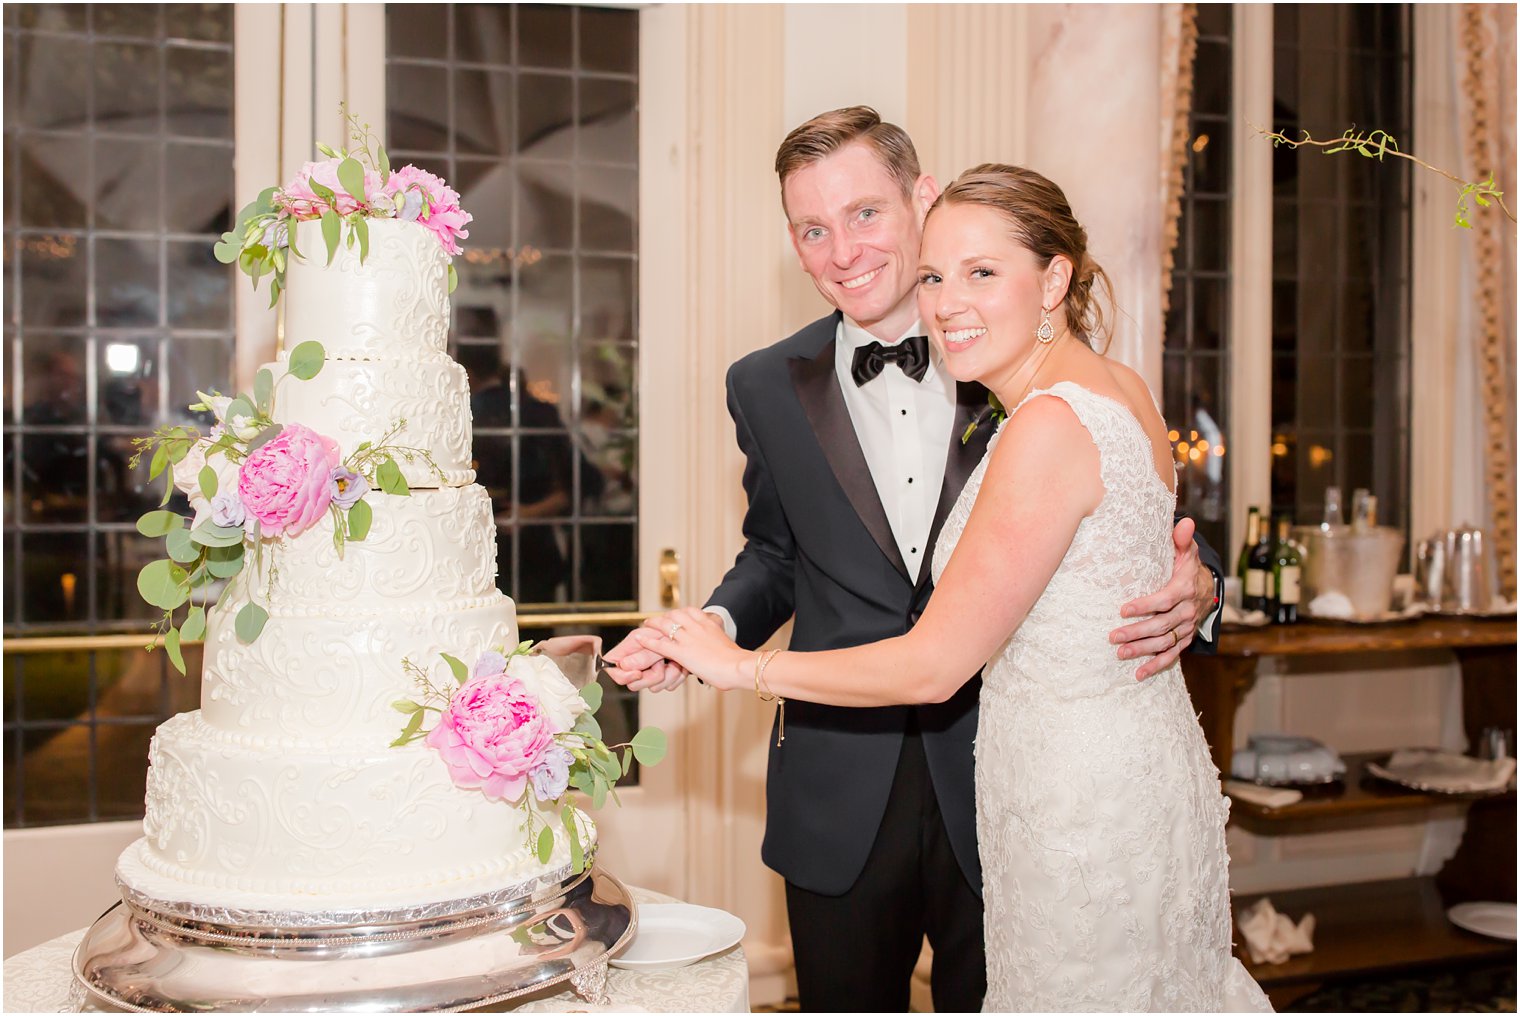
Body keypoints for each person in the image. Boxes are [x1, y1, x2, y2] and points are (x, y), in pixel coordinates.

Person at [606, 109, 1225, 1013]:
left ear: (920, 198)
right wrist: (714, 627)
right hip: (839, 782)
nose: (842, 251)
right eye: (812, 229)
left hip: (1013, 783)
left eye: (864, 214)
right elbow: (776, 549)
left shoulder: (1028, 370)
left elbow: (1139, 511)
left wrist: (1200, 582)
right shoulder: (764, 385)